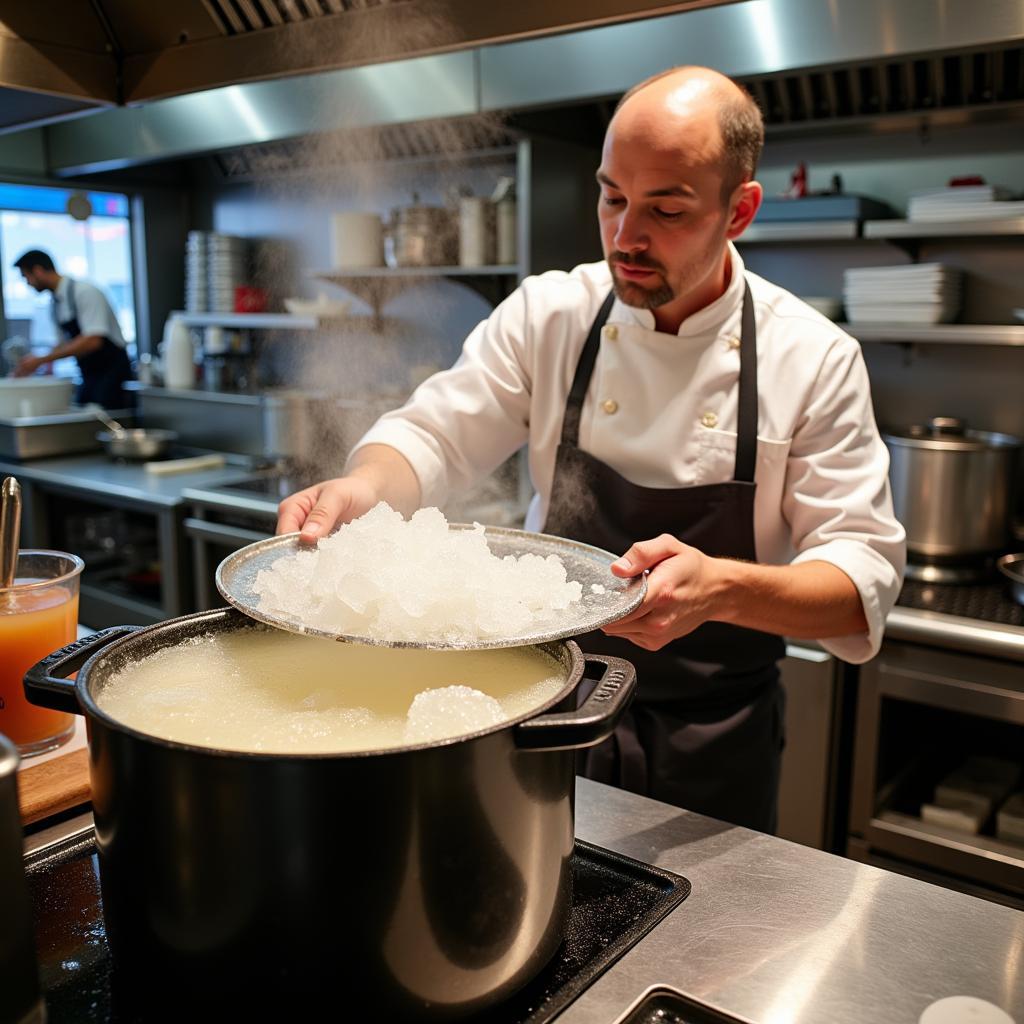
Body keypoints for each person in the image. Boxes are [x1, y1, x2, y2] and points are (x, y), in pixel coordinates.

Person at [276, 66, 906, 834]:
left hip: (713, 745)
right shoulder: (553, 314)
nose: (625, 237)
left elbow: (859, 580)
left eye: (666, 210)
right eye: (612, 197)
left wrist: (720, 589)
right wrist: (364, 487)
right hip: (541, 704)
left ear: (739, 210)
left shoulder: (813, 357)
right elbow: (436, 432)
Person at [12, 249, 134, 409]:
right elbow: (61, 344)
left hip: (112, 373)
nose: (27, 283)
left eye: (26, 276)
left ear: (38, 271)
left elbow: (93, 340)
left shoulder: (86, 292)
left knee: (110, 421)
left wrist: (42, 359)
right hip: (88, 374)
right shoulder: (54, 304)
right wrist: (35, 364)